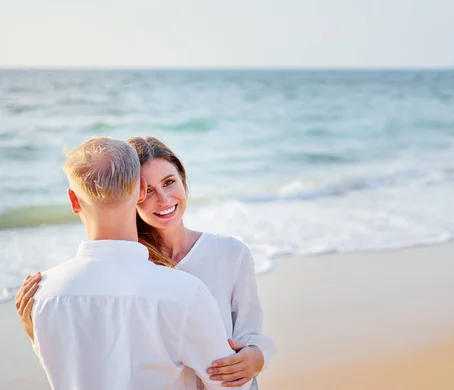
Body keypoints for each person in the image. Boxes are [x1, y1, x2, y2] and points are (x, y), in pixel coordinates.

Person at [16, 136, 275, 389]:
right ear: (137, 190)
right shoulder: (146, 277)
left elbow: (250, 333)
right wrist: (33, 328)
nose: (163, 199)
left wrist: (258, 356)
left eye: (169, 182)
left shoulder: (229, 253)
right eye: (148, 190)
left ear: (184, 181)